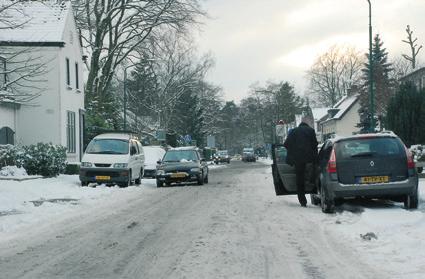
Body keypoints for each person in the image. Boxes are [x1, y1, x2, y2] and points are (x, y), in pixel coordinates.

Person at [283, 117, 318, 207]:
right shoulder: (311, 131)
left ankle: (302, 201)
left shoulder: (294, 131)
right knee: (312, 175)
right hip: (309, 159)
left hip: (298, 160)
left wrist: (293, 152)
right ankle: (314, 192)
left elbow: (286, 144)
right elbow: (315, 144)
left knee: (300, 179)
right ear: (307, 124)